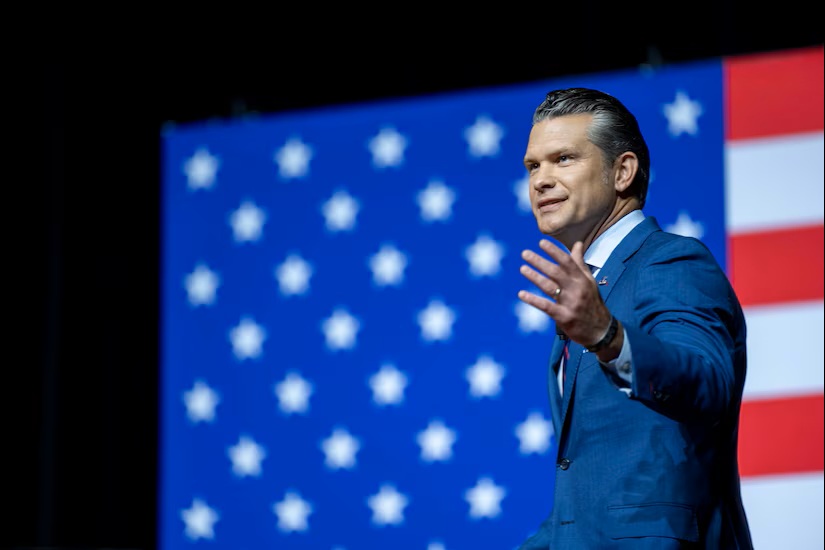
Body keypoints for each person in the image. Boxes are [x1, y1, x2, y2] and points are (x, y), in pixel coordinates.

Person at [515, 87, 754, 549]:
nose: (541, 180)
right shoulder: (593, 285)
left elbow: (708, 383)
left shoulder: (670, 261)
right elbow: (586, 508)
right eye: (532, 166)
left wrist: (607, 336)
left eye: (563, 159)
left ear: (622, 171)